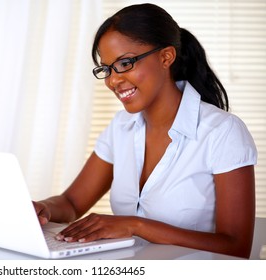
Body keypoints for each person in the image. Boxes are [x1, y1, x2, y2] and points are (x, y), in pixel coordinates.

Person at [33, 3, 257, 259]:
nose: (113, 80)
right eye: (106, 69)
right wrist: (43, 209)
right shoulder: (121, 127)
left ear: (166, 57)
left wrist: (135, 225)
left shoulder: (222, 132)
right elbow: (72, 203)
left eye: (125, 63)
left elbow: (236, 247)